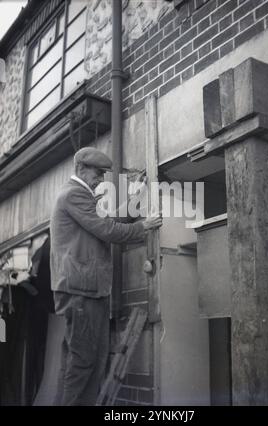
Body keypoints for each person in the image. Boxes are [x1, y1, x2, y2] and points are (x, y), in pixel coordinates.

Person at [50, 147, 162, 406]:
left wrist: (135, 197)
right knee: (84, 364)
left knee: (86, 362)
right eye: (98, 173)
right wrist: (142, 227)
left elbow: (107, 220)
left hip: (87, 291)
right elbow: (106, 228)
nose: (101, 179)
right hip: (83, 291)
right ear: (80, 169)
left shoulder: (79, 196)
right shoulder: (74, 194)